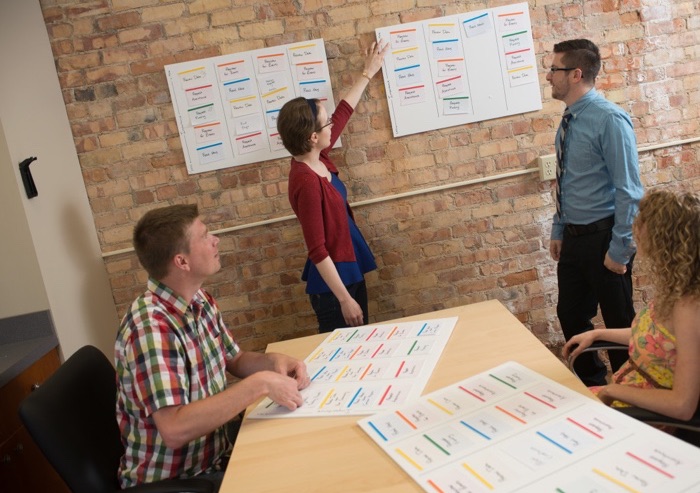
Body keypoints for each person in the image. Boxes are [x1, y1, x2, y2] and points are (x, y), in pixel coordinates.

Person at [115, 204, 310, 490]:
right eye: (205, 236)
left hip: (216, 456)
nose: (215, 240)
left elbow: (236, 359)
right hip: (180, 480)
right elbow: (174, 428)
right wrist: (260, 384)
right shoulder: (150, 328)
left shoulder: (199, 299)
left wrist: (274, 363)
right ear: (182, 262)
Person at [546, 39, 644, 386]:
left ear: (575, 74)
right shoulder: (569, 121)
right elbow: (565, 180)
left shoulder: (609, 119)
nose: (548, 77)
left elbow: (630, 190)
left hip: (606, 238)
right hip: (574, 238)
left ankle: (631, 392)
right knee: (571, 315)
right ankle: (595, 385)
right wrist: (559, 229)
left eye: (554, 69)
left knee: (619, 321)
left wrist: (620, 251)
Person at [276, 41, 388, 333]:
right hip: (333, 288)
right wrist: (345, 300)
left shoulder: (318, 156)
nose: (331, 128)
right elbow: (317, 249)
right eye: (325, 125)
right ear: (313, 136)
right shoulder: (305, 181)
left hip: (349, 269)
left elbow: (343, 113)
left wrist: (367, 73)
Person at [563, 188, 700, 423]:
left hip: (647, 417)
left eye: (641, 223)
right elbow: (655, 339)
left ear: (664, 238)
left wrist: (611, 390)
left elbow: (682, 406)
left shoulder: (689, 306)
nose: (635, 228)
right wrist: (596, 334)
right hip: (630, 399)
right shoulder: (678, 285)